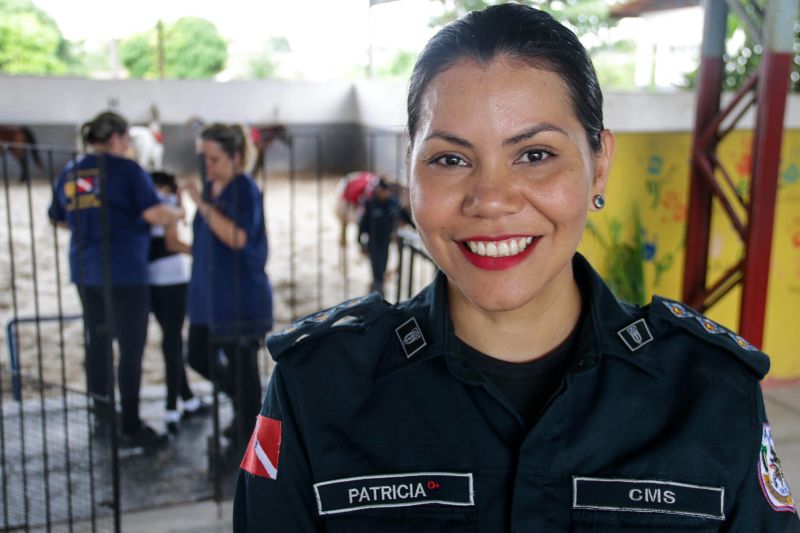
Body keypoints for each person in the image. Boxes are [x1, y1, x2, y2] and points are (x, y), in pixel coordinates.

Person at [234, 4, 798, 532]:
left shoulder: (713, 392)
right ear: (410, 168)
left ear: (599, 164)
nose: (491, 200)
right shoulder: (316, 388)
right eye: (450, 159)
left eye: (535, 155)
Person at [48, 111, 184, 450]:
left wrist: (89, 225)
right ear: (117, 138)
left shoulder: (72, 171)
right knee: (130, 347)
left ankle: (102, 416)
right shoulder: (127, 170)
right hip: (124, 271)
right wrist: (178, 211)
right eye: (126, 139)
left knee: (97, 341)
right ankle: (131, 426)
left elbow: (58, 218)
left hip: (85, 269)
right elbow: (153, 213)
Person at [184, 123, 273, 455]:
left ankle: (248, 435)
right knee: (197, 355)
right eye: (203, 158)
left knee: (241, 365)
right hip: (209, 295)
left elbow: (237, 238)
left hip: (239, 294)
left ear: (236, 157)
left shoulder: (244, 189)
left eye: (214, 159)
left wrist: (200, 204)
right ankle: (245, 407)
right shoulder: (213, 187)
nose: (207, 166)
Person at [148, 171, 209, 433]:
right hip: (172, 280)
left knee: (170, 340)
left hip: (151, 281)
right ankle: (172, 406)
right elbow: (172, 243)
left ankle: (187, 397)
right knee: (173, 343)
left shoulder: (148, 204)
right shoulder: (167, 204)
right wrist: (201, 252)